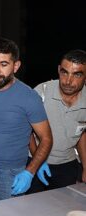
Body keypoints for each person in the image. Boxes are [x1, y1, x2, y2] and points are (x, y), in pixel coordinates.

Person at [0, 38, 53, 201]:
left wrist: (30, 172)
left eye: (3, 64)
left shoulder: (29, 97)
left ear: (15, 66)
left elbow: (46, 138)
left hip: (11, 174)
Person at [28, 49, 86, 193]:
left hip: (67, 166)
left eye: (77, 74)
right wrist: (37, 162)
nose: (68, 81)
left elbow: (81, 134)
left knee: (63, 209)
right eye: (64, 72)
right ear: (59, 70)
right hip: (35, 162)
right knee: (31, 210)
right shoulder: (41, 92)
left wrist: (85, 167)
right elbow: (27, 132)